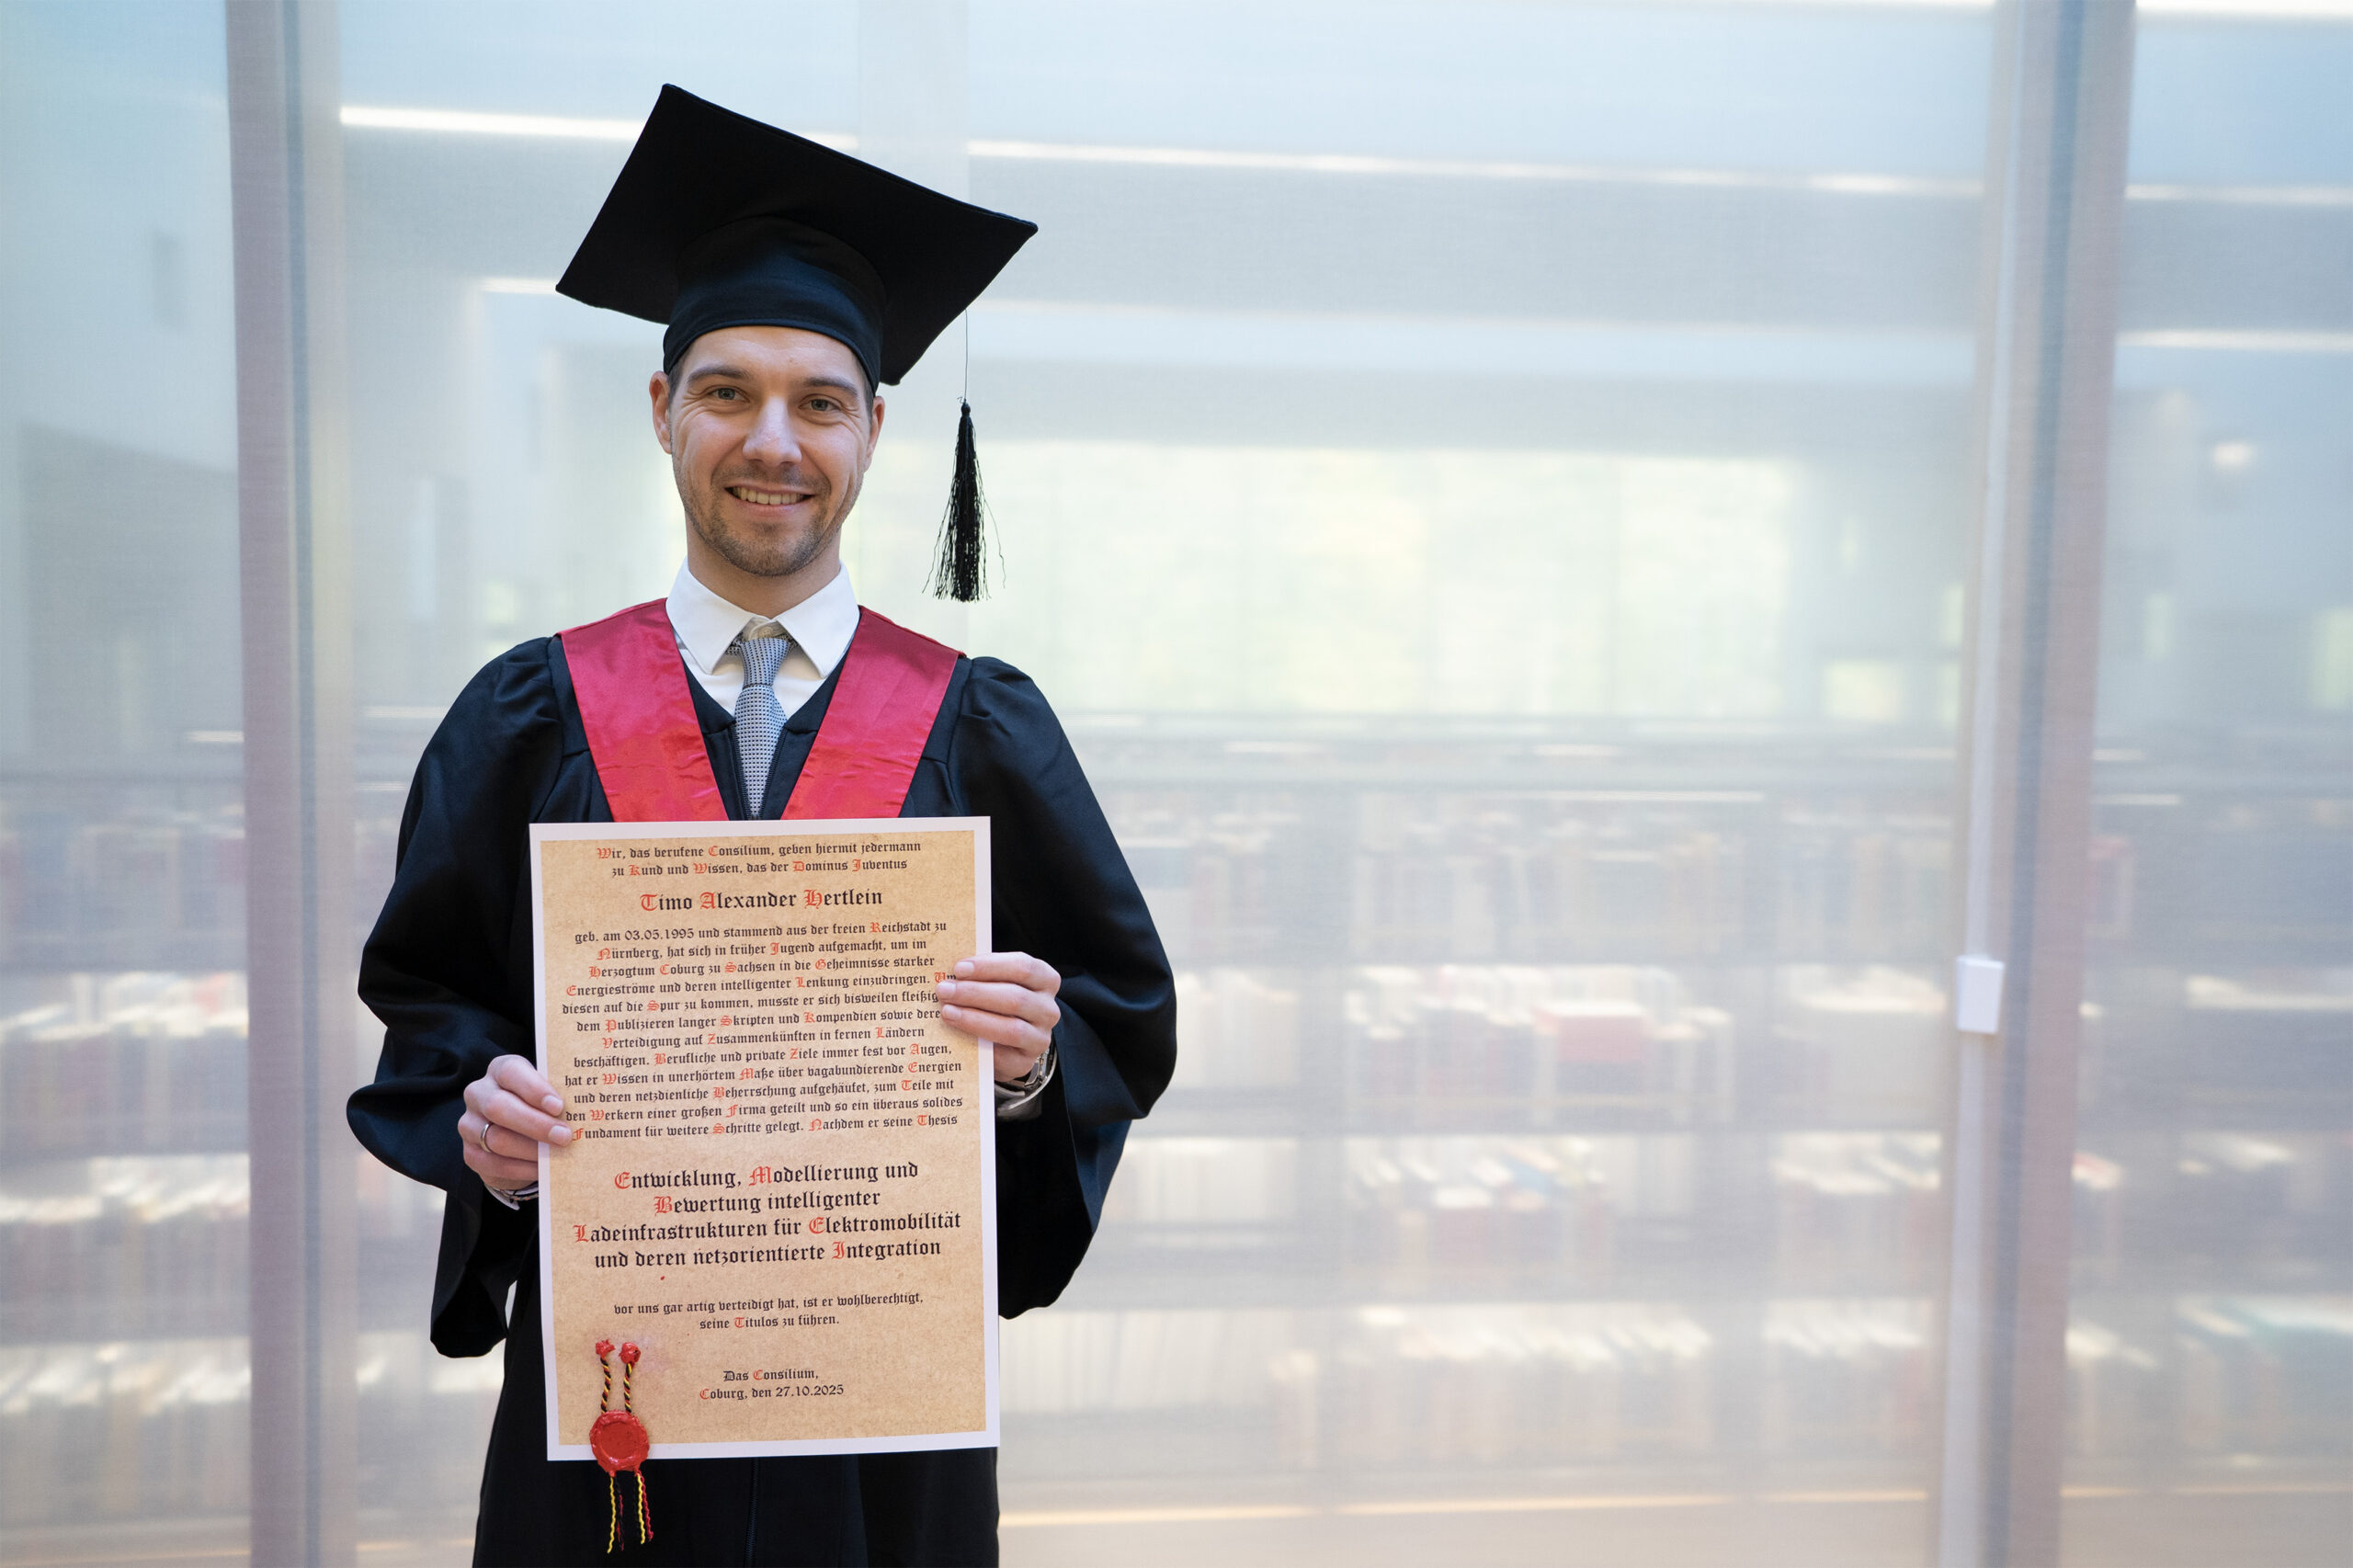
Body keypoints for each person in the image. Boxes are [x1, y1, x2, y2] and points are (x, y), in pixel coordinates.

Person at [347, 86, 1176, 1567]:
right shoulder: (530, 712)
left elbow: (1118, 1017)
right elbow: (429, 1007)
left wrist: (1034, 1062)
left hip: (881, 1420)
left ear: (875, 429)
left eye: (820, 399)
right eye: (726, 390)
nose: (771, 440)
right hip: (617, 1414)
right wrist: (485, 1120)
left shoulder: (979, 725)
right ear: (661, 409)